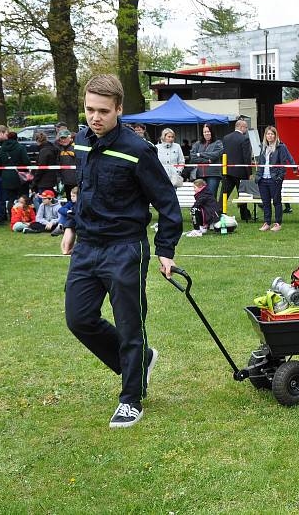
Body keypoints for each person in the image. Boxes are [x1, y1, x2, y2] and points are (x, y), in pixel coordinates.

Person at [61, 74, 182, 428]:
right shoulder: (82, 142)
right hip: (88, 246)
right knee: (79, 318)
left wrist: (165, 249)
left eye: (102, 111)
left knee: (130, 324)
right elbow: (80, 190)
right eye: (89, 110)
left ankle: (131, 398)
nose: (95, 117)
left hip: (126, 248)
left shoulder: (138, 150)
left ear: (118, 109)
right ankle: (140, 360)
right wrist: (70, 226)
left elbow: (167, 201)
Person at [256, 125, 294, 232]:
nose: (270, 136)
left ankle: (278, 223)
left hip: (274, 179)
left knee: (277, 201)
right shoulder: (263, 147)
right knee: (265, 202)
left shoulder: (280, 147)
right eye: (268, 134)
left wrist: (279, 177)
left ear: (275, 135)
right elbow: (260, 163)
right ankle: (267, 223)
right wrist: (258, 176)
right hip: (263, 179)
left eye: (272, 134)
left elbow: (283, 163)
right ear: (265, 135)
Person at [221, 119, 253, 222]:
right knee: (242, 195)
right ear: (241, 127)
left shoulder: (226, 138)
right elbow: (246, 157)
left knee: (224, 194)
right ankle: (244, 215)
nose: (246, 129)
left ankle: (220, 212)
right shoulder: (244, 139)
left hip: (228, 171)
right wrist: (249, 173)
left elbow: (224, 154)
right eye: (246, 127)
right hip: (241, 172)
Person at [0, 131, 30, 219]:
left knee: (11, 198)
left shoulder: (2, 148)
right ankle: (23, 216)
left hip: (6, 176)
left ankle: (12, 216)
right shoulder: (20, 147)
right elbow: (26, 161)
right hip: (20, 176)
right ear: (16, 138)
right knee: (22, 197)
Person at [188, 124, 224, 199]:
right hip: (199, 175)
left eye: (208, 131)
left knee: (211, 196)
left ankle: (212, 211)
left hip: (213, 175)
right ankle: (202, 211)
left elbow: (216, 155)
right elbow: (192, 158)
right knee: (200, 197)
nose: (206, 133)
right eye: (205, 132)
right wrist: (207, 161)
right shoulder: (197, 144)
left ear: (212, 132)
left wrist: (200, 154)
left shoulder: (218, 143)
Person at [32, 131, 60, 198]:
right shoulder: (52, 148)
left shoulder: (44, 151)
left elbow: (41, 167)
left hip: (44, 181)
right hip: (51, 179)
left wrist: (35, 181)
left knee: (43, 201)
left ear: (37, 141)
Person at [57, 130, 78, 201]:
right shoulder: (61, 148)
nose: (63, 140)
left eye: (65, 138)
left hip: (76, 181)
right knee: (69, 200)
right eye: (61, 138)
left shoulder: (76, 147)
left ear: (70, 137)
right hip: (65, 181)